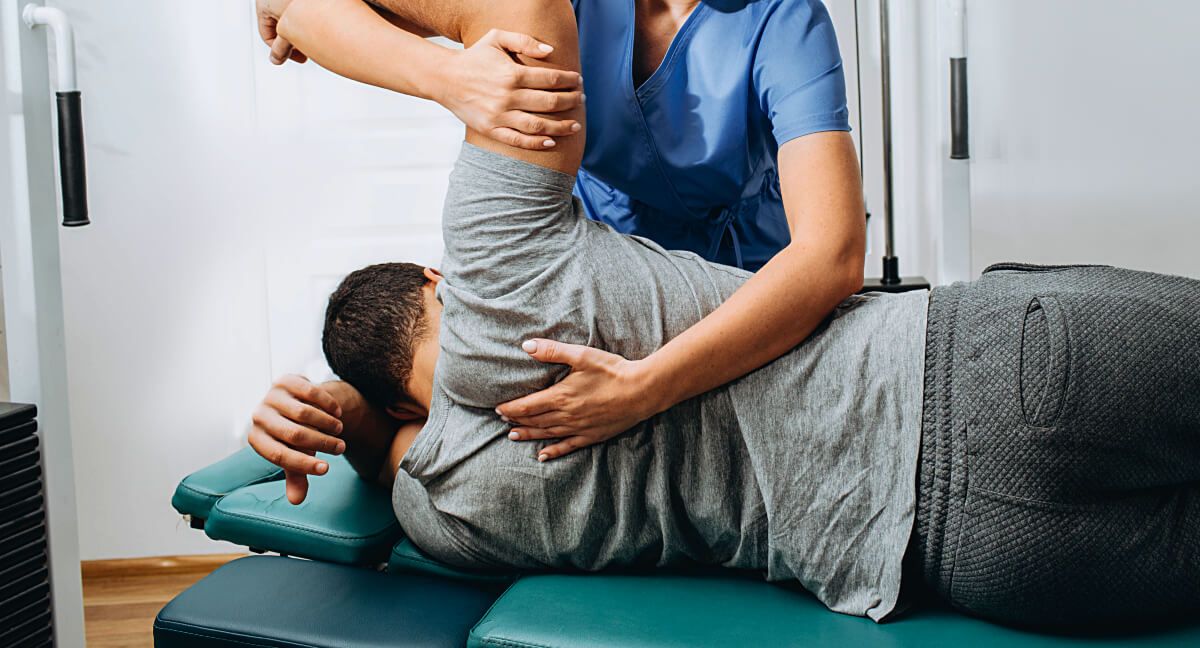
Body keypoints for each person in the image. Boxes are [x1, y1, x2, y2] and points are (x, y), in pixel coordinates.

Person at [248, 0, 1200, 629]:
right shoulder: (502, 261)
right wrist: (448, 74)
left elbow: (391, 454)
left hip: (966, 557)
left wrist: (348, 415)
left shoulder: (449, 503)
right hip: (978, 373)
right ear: (437, 276)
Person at [254, 0, 867, 463]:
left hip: (741, 302)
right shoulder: (558, 5)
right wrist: (447, 77)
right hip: (596, 281)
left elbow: (832, 254)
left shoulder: (785, 22)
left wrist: (645, 389)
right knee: (486, 423)